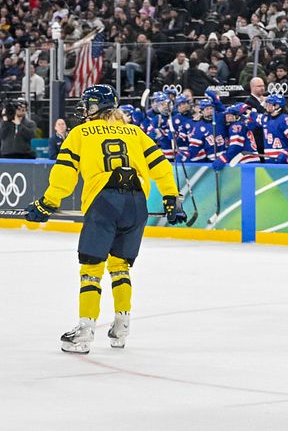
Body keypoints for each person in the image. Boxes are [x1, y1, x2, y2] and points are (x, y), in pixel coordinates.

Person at [24, 85, 185, 353]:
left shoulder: (80, 133)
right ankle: (122, 326)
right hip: (137, 204)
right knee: (120, 266)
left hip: (104, 202)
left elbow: (64, 175)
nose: (84, 110)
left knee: (92, 267)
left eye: (87, 105)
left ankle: (84, 331)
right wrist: (171, 197)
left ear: (95, 107)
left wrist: (47, 203)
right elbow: (160, 166)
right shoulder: (135, 132)